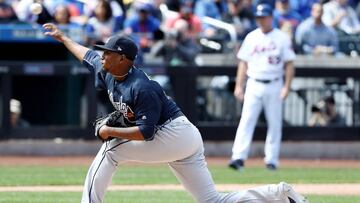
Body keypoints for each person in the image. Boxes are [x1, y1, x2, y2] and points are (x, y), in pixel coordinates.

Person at [42, 22, 308, 203]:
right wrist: (63, 37)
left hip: (174, 134)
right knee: (212, 200)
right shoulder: (107, 70)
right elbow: (86, 54)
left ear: (123, 59)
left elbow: (146, 133)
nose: (102, 56)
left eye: (108, 53)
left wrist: (110, 131)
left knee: (110, 151)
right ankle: (280, 195)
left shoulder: (141, 87)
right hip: (184, 138)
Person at [229, 3, 295, 171]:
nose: (261, 20)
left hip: (274, 82)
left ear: (271, 17)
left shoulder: (281, 37)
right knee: (246, 121)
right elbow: (243, 62)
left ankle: (271, 160)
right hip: (254, 82)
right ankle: (238, 158)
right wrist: (239, 85)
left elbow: (289, 64)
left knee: (274, 123)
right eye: (258, 17)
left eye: (264, 17)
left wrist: (286, 86)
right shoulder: (251, 37)